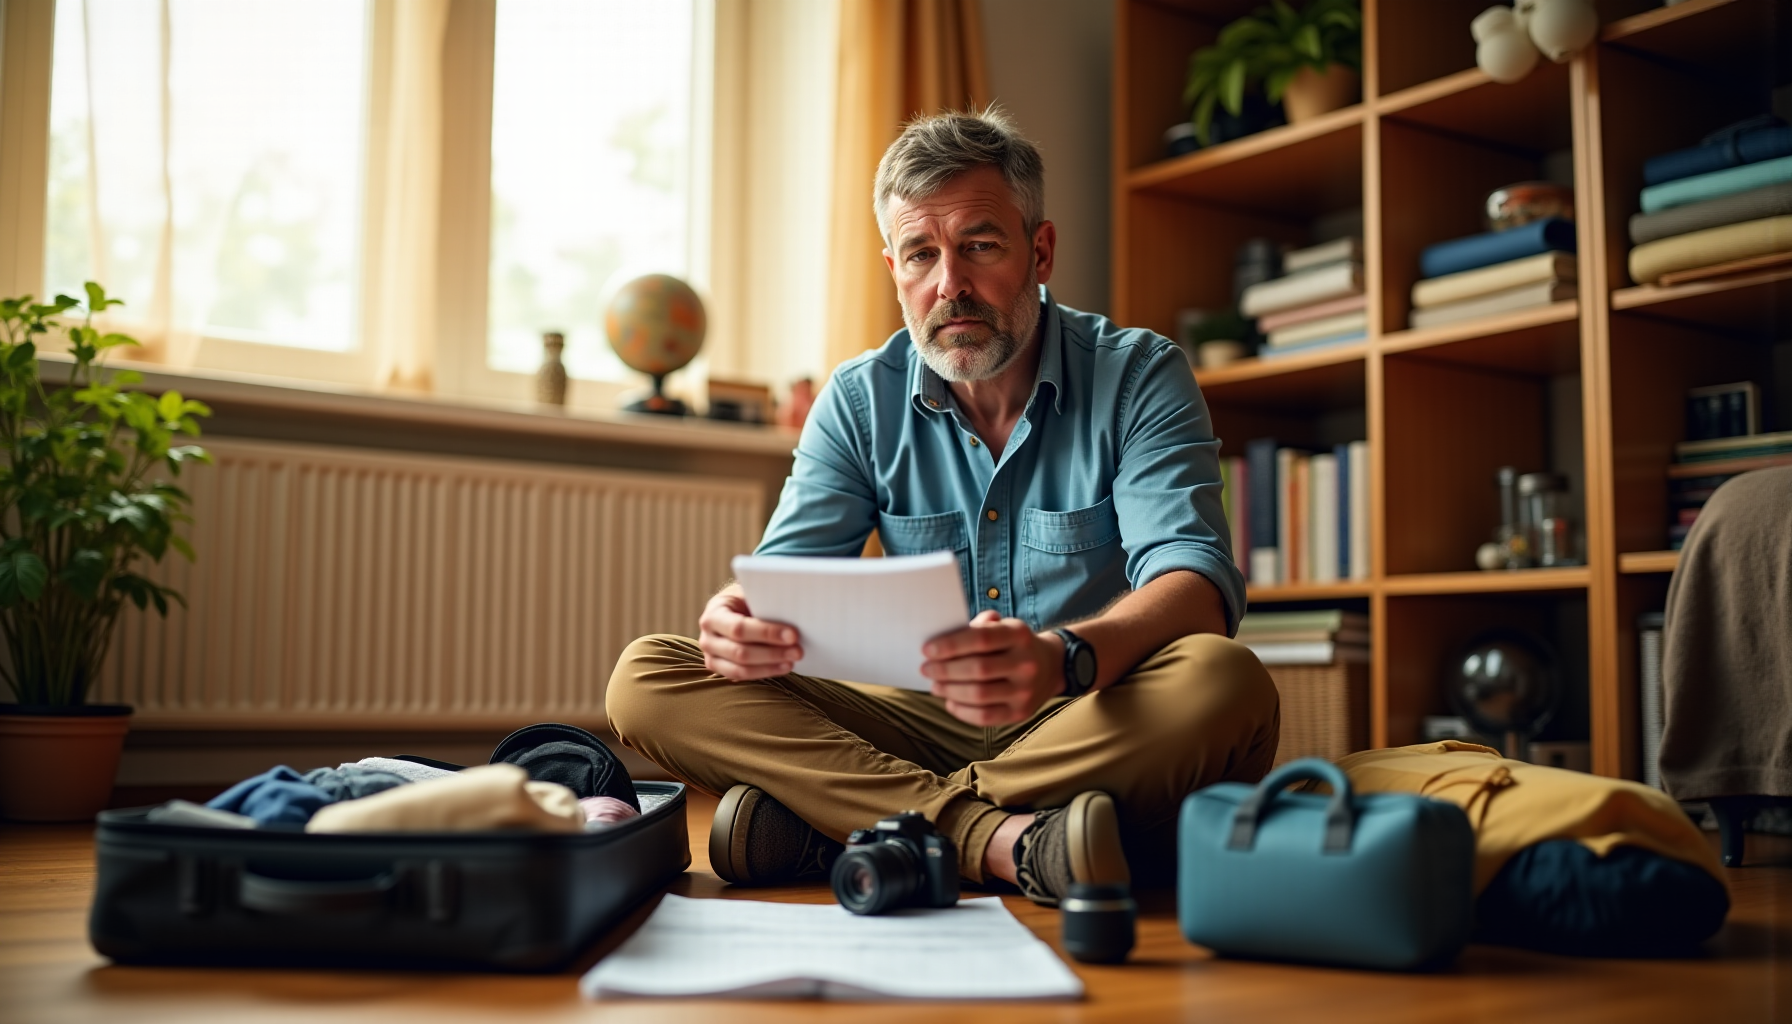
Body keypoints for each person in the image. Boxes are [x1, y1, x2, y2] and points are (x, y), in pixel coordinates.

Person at [606, 107, 1278, 905]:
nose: (949, 285)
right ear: (894, 267)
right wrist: (737, 616)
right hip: (910, 720)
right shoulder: (859, 399)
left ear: (1040, 251)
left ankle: (843, 827)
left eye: (980, 246)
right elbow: (786, 580)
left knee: (1225, 680)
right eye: (921, 253)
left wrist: (1061, 656)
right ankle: (1004, 840)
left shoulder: (1138, 375)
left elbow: (1195, 583)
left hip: (1087, 705)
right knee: (648, 674)